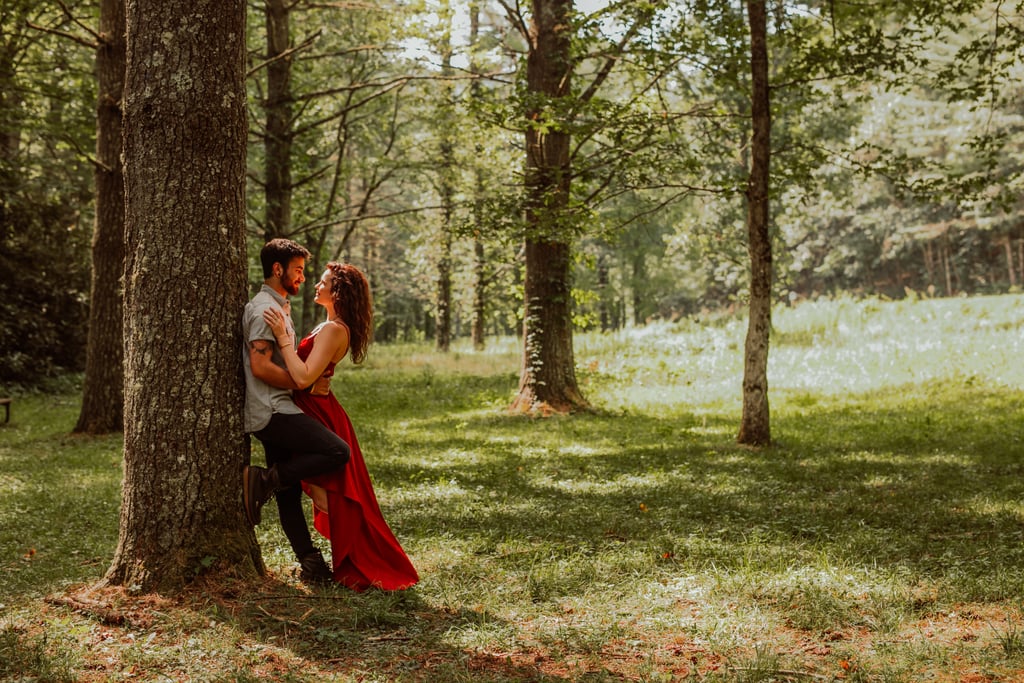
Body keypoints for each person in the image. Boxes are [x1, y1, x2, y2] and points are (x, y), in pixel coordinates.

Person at [262, 262, 418, 591]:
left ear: (339, 292)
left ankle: (361, 560)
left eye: (323, 282)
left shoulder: (335, 330)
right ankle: (313, 561)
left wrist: (281, 338)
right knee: (318, 493)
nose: (315, 285)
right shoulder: (327, 325)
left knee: (330, 497)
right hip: (309, 406)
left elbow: (304, 378)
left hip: (316, 410)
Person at [242, 238, 352, 586]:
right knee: (337, 451)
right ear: (278, 269)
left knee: (288, 492)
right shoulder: (265, 310)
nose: (303, 278)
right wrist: (301, 383)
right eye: (299, 270)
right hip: (272, 410)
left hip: (280, 405)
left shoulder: (280, 308)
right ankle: (264, 480)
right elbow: (259, 366)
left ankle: (312, 566)